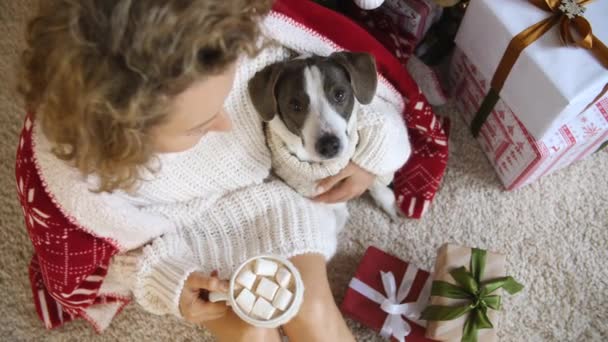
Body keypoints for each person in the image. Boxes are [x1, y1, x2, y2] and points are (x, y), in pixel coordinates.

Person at [16, 0, 410, 341]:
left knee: (313, 308)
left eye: (225, 102)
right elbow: (124, 253)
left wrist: (370, 156)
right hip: (182, 240)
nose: (226, 124)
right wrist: (174, 283)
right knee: (251, 332)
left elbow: (345, 94)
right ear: (126, 137)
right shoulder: (90, 180)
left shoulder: (233, 49)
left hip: (270, 200)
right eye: (198, 126)